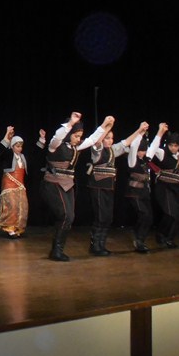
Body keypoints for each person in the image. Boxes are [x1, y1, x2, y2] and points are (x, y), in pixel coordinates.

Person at [41, 112, 114, 262]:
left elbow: (92, 139)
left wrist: (104, 125)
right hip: (53, 184)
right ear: (69, 134)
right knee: (65, 215)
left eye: (80, 136)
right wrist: (70, 124)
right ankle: (56, 251)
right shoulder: (55, 146)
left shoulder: (77, 147)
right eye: (76, 136)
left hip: (67, 184)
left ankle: (57, 250)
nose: (78, 139)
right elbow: (57, 137)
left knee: (70, 217)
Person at [86, 121, 148, 256]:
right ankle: (95, 246)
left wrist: (139, 130)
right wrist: (106, 127)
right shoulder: (97, 150)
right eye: (107, 138)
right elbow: (97, 141)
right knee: (101, 216)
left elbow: (126, 142)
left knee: (108, 217)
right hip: (98, 187)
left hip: (109, 187)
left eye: (111, 138)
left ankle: (101, 245)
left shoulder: (112, 150)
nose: (110, 140)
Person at [148, 125, 179, 249]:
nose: (173, 148)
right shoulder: (162, 153)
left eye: (176, 146)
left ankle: (165, 236)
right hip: (163, 188)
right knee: (171, 213)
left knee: (178, 215)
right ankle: (162, 235)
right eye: (171, 145)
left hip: (176, 189)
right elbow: (152, 149)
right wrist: (160, 132)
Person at [0, 126, 33, 239]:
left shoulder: (22, 157)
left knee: (22, 206)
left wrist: (41, 140)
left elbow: (34, 154)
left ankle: (18, 228)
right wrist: (7, 136)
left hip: (20, 184)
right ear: (12, 146)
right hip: (9, 182)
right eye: (17, 146)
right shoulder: (8, 154)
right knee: (11, 205)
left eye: (21, 146)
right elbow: (0, 151)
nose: (20, 148)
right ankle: (10, 228)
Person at [126, 131, 155, 253]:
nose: (141, 153)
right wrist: (140, 132)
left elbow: (153, 147)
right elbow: (133, 147)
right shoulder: (132, 160)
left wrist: (160, 132)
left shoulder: (146, 160)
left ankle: (139, 238)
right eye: (140, 150)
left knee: (149, 217)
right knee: (144, 214)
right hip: (134, 192)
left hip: (144, 192)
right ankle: (139, 241)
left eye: (143, 150)